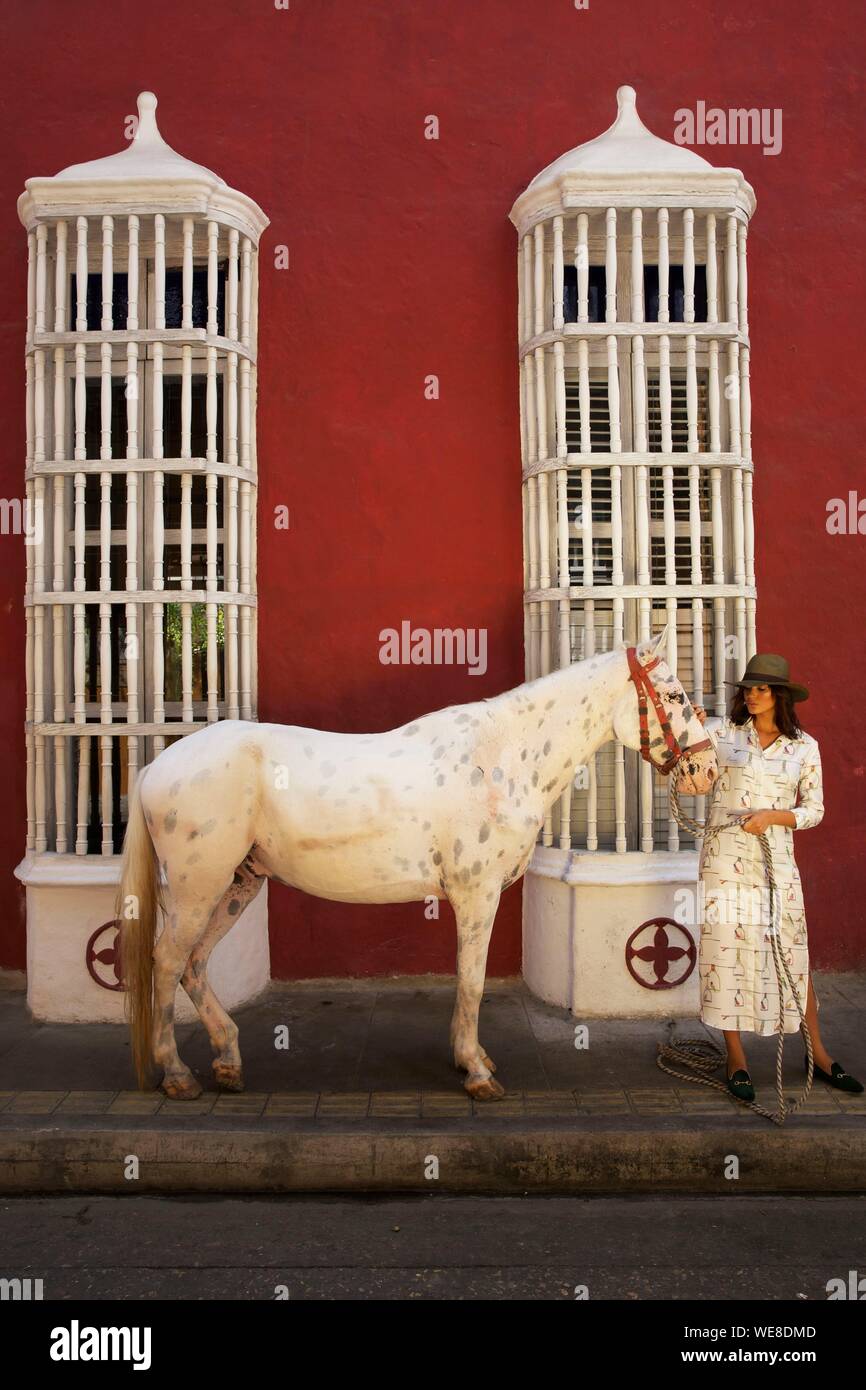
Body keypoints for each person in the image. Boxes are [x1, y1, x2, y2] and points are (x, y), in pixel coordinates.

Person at [693, 653, 862, 1101]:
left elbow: (815, 810)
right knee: (727, 952)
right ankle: (736, 1057)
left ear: (780, 696)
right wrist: (687, 739)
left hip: (777, 862)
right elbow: (691, 781)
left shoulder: (804, 747)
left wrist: (773, 816)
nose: (752, 695)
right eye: (748, 688)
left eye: (762, 689)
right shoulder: (720, 735)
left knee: (791, 950)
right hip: (724, 859)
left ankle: (818, 1053)